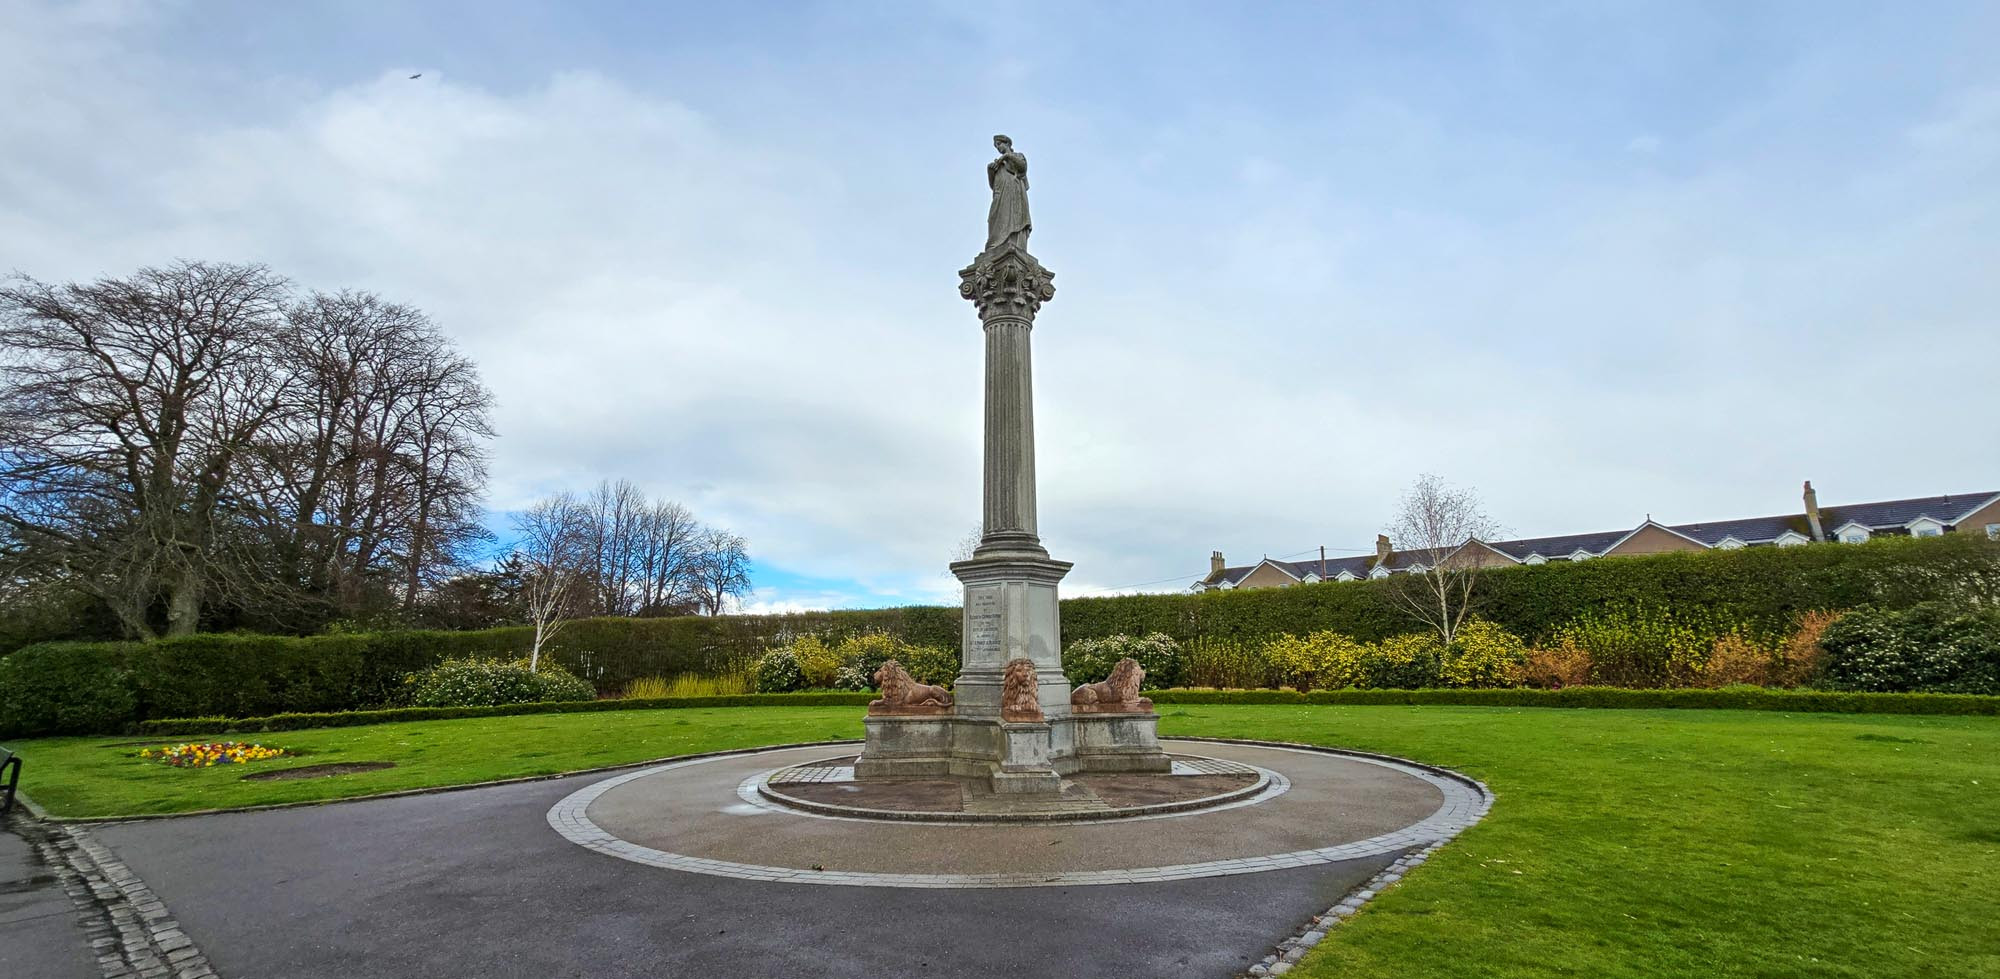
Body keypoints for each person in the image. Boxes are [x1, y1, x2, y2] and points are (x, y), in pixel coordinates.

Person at [984, 134, 1031, 254]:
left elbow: (1022, 167)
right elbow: (993, 185)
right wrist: (990, 171)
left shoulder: (1017, 156)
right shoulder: (998, 164)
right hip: (1001, 195)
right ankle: (996, 244)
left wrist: (1007, 156)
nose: (998, 148)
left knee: (1015, 217)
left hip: (1015, 193)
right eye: (996, 146)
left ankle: (1014, 243)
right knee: (993, 217)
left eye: (999, 144)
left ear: (1007, 144)